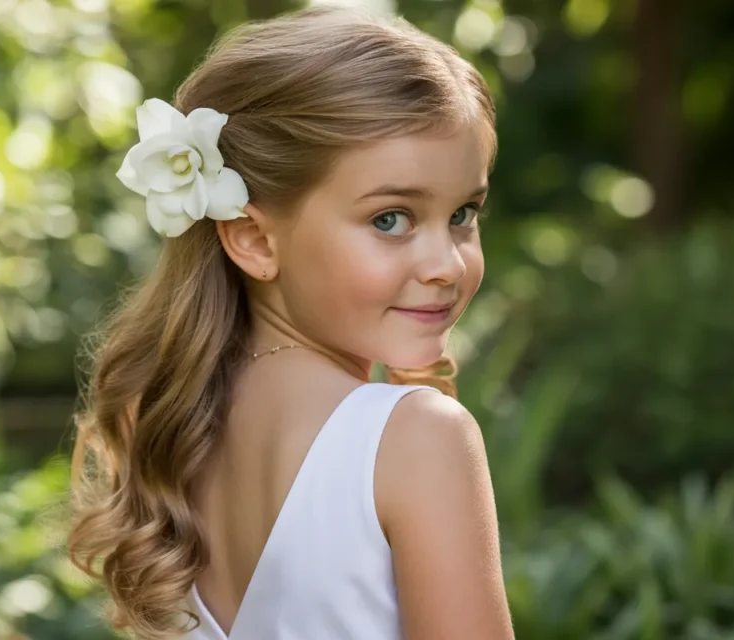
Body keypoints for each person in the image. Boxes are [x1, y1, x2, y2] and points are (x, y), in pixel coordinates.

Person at [68, 6, 513, 639]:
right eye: (391, 219)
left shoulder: (174, 427)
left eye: (464, 214)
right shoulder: (416, 437)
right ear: (252, 238)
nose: (446, 264)